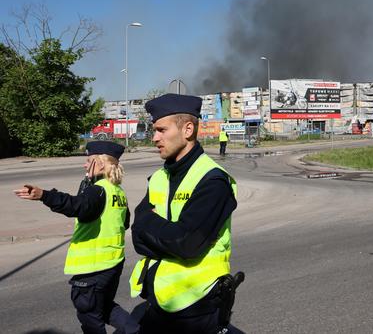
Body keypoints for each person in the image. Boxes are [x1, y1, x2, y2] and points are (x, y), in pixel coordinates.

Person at [129, 93, 238, 334]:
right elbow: (136, 235)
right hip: (159, 300)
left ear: (187, 129)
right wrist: (159, 231)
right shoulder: (159, 177)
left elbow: (186, 244)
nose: (154, 138)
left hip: (196, 307)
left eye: (161, 130)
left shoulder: (212, 180)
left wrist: (149, 222)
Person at [14, 141, 138, 334]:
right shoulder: (117, 191)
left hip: (93, 269)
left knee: (90, 318)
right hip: (112, 265)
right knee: (103, 307)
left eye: (89, 160)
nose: (84, 164)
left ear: (101, 163)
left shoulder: (98, 190)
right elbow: (124, 222)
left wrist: (44, 195)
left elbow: (77, 206)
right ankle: (135, 329)